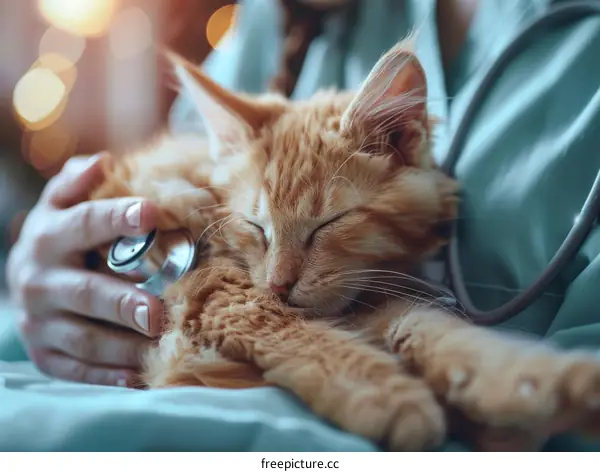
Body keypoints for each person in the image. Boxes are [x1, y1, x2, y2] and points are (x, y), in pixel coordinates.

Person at [6, 0, 600, 409]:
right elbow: (177, 198)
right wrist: (40, 265)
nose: (279, 280)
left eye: (325, 229)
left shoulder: (578, 54)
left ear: (401, 143)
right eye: (264, 238)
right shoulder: (281, 14)